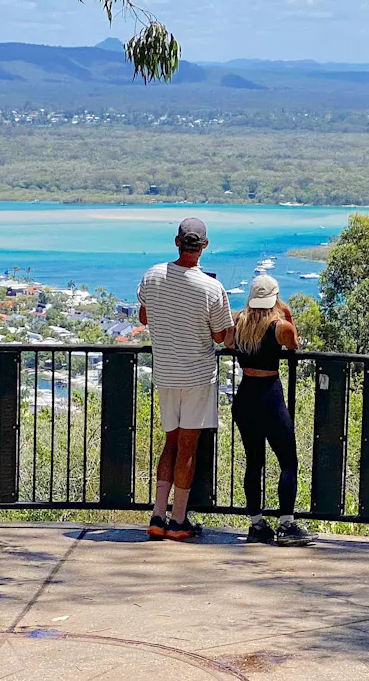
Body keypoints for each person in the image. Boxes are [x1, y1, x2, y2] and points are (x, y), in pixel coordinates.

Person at [138, 217, 233, 541]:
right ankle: (178, 521)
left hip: (165, 373)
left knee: (170, 442)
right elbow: (221, 336)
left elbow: (143, 315)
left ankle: (157, 515)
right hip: (197, 375)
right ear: (204, 247)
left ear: (177, 242)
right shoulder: (211, 287)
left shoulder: (152, 276)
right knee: (188, 446)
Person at [231, 274, 315, 546]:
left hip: (245, 396)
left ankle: (256, 524)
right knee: (288, 461)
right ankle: (287, 524)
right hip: (269, 395)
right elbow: (294, 343)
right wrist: (285, 310)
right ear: (275, 298)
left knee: (254, 462)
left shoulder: (238, 322)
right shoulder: (280, 327)